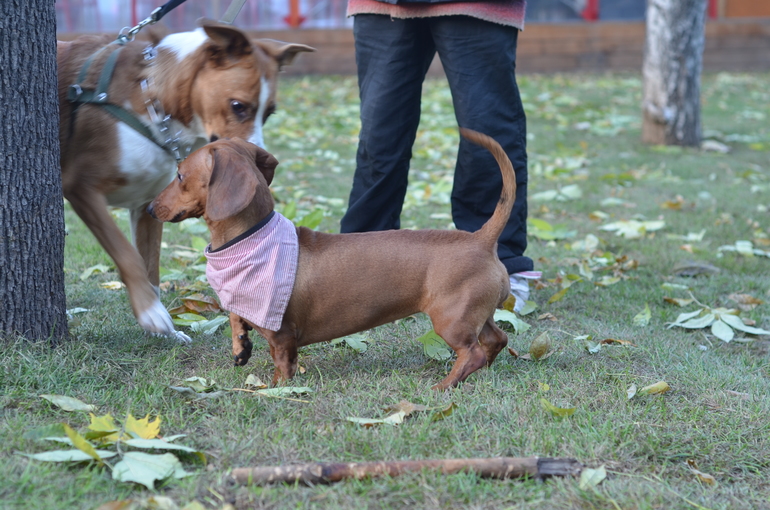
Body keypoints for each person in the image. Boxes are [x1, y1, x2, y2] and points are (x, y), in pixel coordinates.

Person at [340, 0, 540, 311]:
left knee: (487, 128)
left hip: (477, 6)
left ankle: (498, 263)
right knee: (379, 134)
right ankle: (362, 261)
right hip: (381, 6)